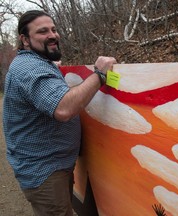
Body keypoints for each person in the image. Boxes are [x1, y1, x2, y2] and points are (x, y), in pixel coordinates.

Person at [2, 10, 116, 216]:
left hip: (53, 165)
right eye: (43, 31)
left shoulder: (36, 64)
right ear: (25, 40)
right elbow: (63, 109)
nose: (53, 35)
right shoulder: (30, 69)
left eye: (54, 29)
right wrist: (99, 74)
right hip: (45, 172)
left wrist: (52, 69)